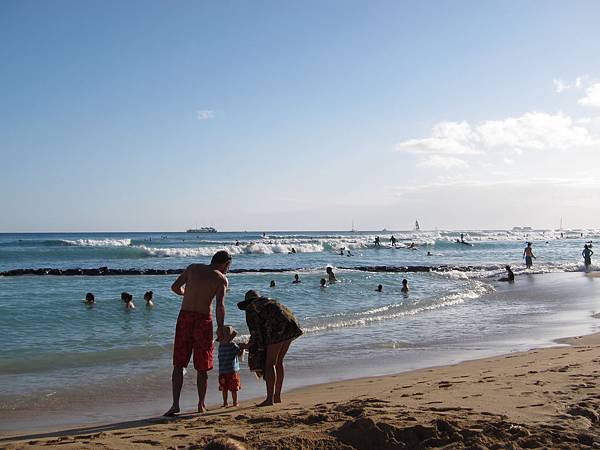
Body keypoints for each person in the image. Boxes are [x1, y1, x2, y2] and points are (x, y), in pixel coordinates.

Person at [164, 250, 231, 417]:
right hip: (203, 320)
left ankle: (175, 405)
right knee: (202, 366)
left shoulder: (193, 268)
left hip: (185, 318)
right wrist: (220, 327)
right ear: (225, 264)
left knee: (179, 364)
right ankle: (201, 404)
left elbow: (174, 287)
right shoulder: (221, 279)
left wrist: (186, 294)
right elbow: (219, 306)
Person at [237, 290, 303, 406]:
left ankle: (269, 399)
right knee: (279, 362)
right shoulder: (269, 301)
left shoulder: (251, 308)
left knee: (270, 364)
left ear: (247, 302)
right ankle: (277, 396)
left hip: (276, 329)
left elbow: (255, 332)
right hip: (292, 325)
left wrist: (248, 346)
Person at [217, 326, 244, 408]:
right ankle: (235, 402)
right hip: (232, 371)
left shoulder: (220, 346)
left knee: (224, 387)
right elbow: (239, 354)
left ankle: (225, 402)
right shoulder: (233, 345)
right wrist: (242, 348)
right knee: (234, 388)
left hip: (222, 371)